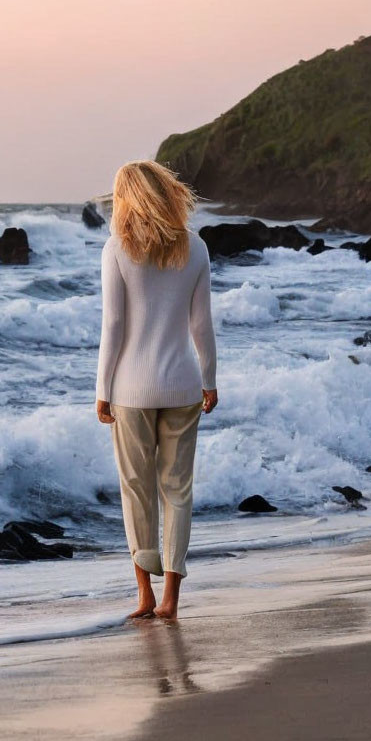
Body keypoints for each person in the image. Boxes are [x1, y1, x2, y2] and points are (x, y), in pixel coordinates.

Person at [95, 159, 217, 621]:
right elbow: (201, 325)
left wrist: (101, 388)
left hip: (130, 388)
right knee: (177, 490)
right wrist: (209, 380)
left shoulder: (117, 249)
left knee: (136, 489)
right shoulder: (196, 248)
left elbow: (114, 325)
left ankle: (144, 596)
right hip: (183, 384)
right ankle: (171, 601)